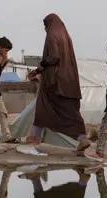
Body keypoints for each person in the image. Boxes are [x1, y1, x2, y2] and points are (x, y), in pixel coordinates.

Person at [27, 13, 91, 153]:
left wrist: (41, 66)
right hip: (68, 80)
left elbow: (54, 57)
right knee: (70, 110)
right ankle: (82, 138)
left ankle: (35, 136)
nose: (45, 29)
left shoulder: (51, 36)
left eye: (45, 26)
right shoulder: (65, 36)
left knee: (44, 105)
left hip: (54, 82)